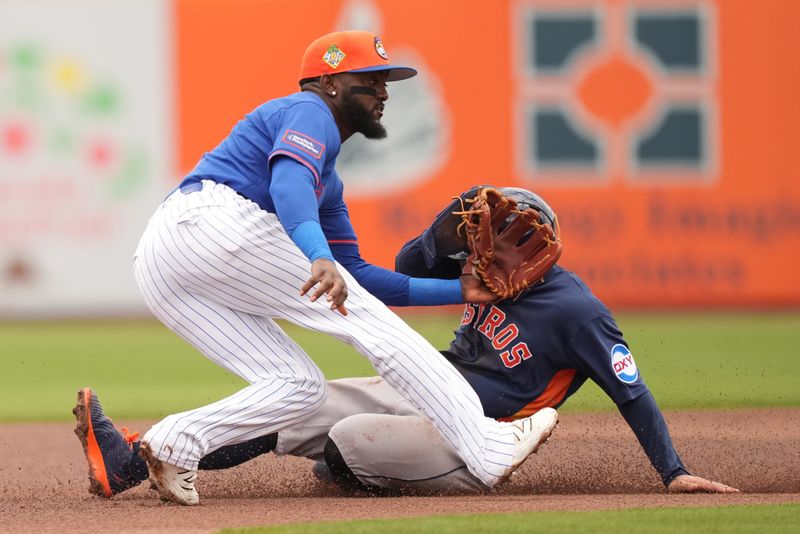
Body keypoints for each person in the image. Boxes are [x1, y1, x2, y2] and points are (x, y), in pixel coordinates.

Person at [75, 187, 738, 497]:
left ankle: (356, 470)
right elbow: (405, 266)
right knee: (295, 406)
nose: (489, 247)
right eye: (486, 234)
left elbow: (633, 390)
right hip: (421, 389)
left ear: (540, 248)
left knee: (348, 443)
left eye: (508, 237)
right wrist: (440, 238)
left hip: (475, 433)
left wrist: (673, 472)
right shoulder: (473, 271)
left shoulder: (578, 310)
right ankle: (129, 460)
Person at [125, 32, 557, 505]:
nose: (384, 93)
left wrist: (462, 288)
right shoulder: (309, 112)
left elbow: (358, 278)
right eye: (370, 80)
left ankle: (175, 442)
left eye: (385, 82)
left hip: (163, 260)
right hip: (210, 222)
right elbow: (290, 186)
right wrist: (317, 255)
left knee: (298, 386)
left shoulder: (328, 185)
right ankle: (487, 445)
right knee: (378, 331)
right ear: (330, 83)